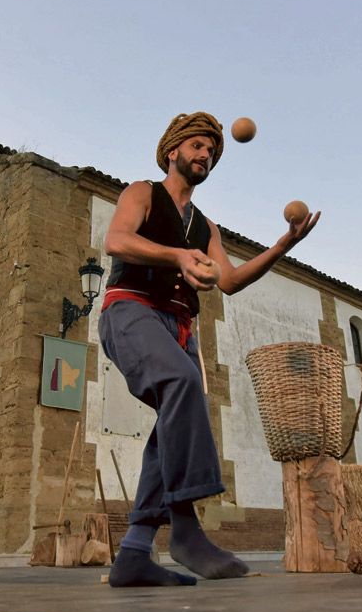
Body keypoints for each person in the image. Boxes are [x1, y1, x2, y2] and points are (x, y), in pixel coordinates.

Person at [100, 112, 320, 587]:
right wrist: (175, 255)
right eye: (198, 146)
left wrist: (283, 245)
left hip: (179, 325)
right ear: (174, 150)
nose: (206, 155)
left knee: (176, 416)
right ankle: (184, 529)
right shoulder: (142, 193)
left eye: (212, 152)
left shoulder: (206, 227)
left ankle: (134, 553)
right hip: (130, 310)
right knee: (181, 384)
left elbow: (231, 280)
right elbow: (116, 240)